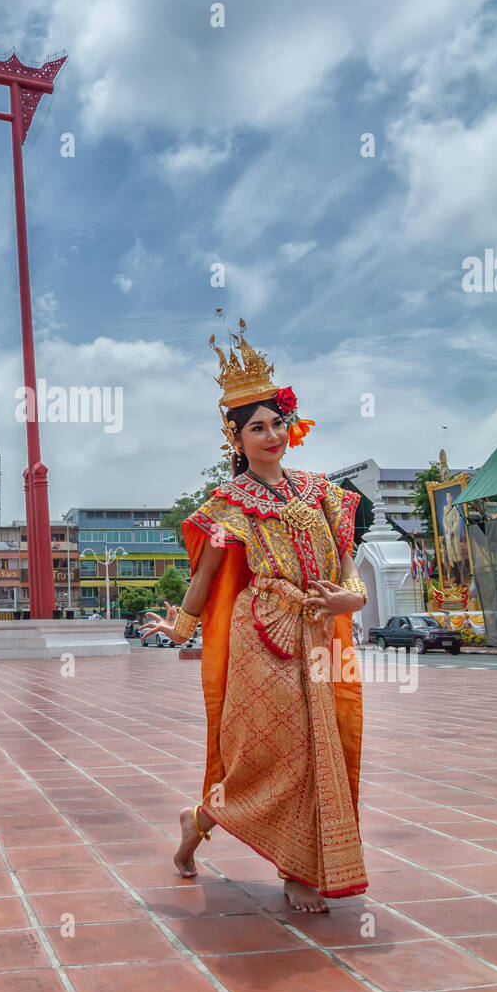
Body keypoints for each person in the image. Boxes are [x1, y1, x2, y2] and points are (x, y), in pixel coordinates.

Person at [141, 317, 368, 913]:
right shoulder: (229, 503)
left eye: (278, 423)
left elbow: (346, 570)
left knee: (324, 746)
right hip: (260, 633)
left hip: (319, 632)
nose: (272, 435)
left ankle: (283, 861)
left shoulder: (325, 493)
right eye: (257, 428)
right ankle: (208, 819)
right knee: (268, 752)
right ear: (235, 439)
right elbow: (206, 578)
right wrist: (181, 629)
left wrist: (351, 599)